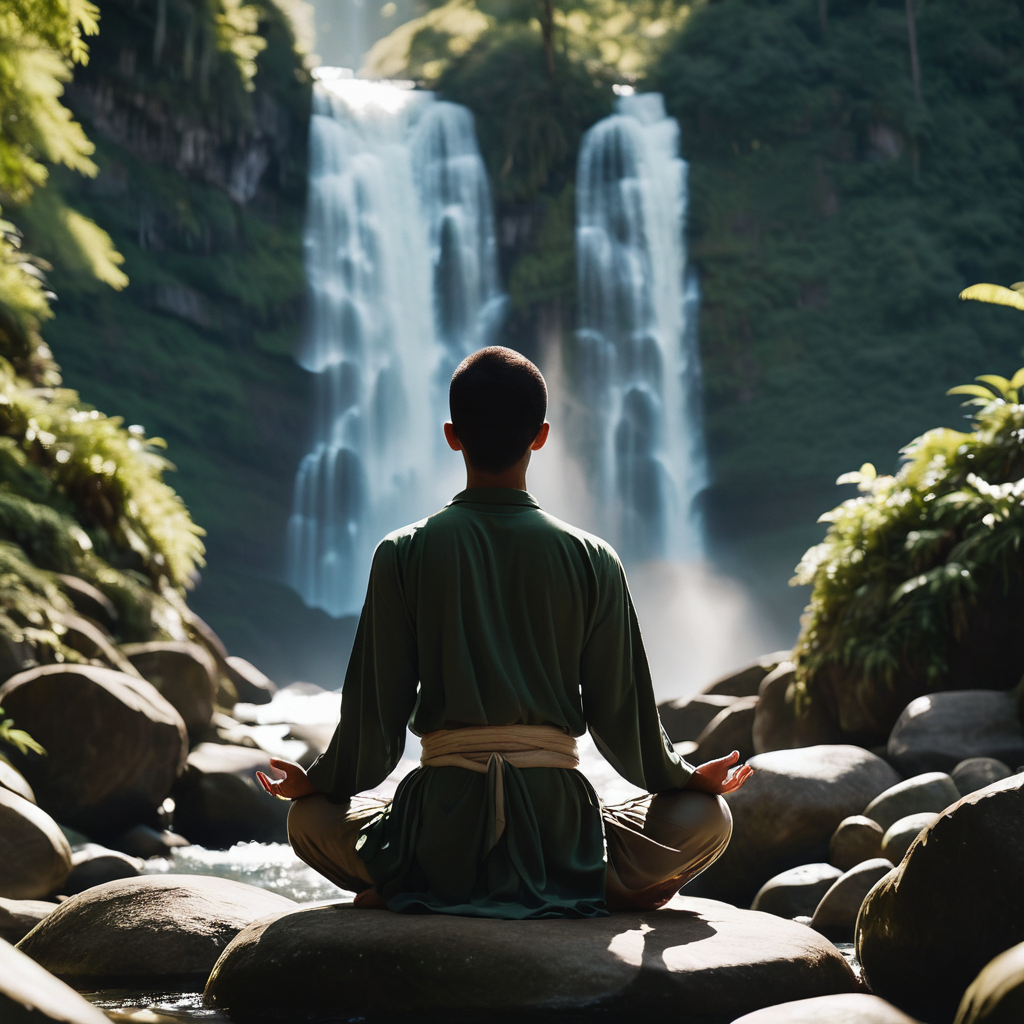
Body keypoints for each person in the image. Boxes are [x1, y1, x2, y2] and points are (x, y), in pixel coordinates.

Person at [257, 346, 752, 918]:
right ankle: (595, 883)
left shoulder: (401, 553)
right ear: (540, 436)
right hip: (561, 830)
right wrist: (687, 778)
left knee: (309, 820)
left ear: (451, 435)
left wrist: (317, 783)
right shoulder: (594, 558)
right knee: (709, 819)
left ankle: (416, 883)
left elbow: (375, 724)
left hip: (435, 831)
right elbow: (626, 726)